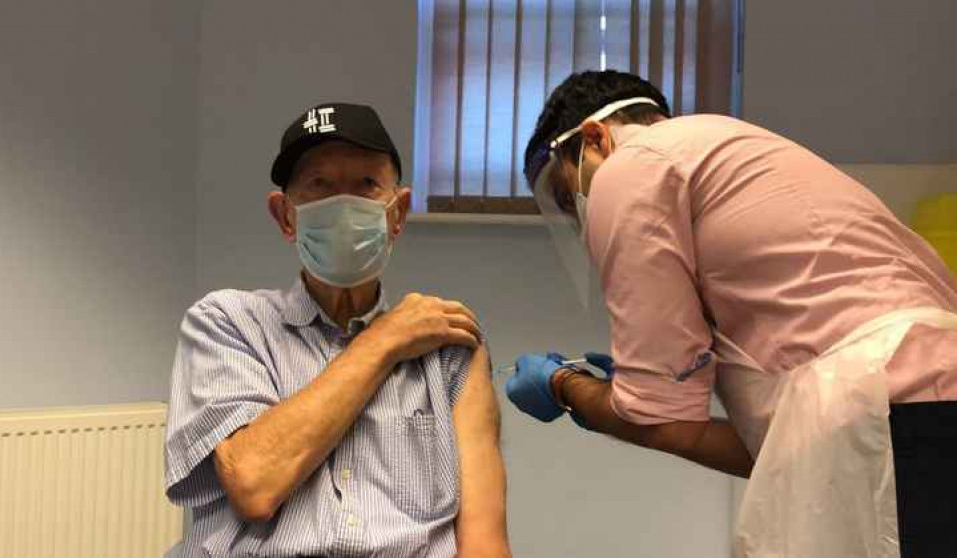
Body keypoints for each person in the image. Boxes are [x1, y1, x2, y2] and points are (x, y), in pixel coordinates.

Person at [504, 70, 957, 557]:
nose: (579, 215)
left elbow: (660, 421)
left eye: (571, 194)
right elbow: (769, 453)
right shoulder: (735, 152)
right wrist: (634, 396)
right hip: (914, 407)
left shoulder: (630, 166)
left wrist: (565, 387)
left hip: (887, 414)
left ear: (595, 138)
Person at [165, 103, 511, 558]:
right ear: (285, 217)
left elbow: (484, 543)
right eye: (319, 186)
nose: (343, 206)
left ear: (397, 213)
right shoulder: (227, 323)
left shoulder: (448, 348)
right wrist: (386, 340)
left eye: (366, 184)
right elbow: (253, 482)